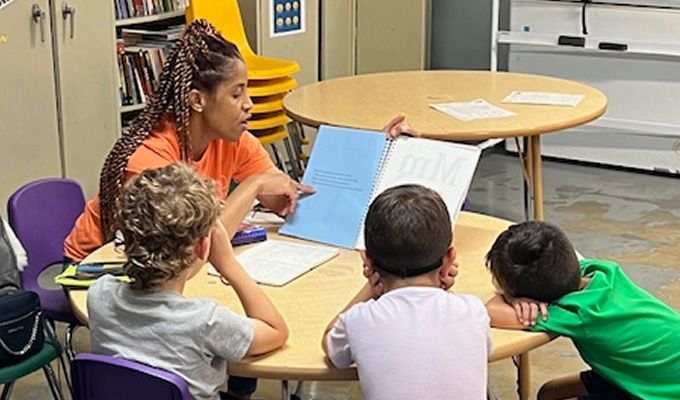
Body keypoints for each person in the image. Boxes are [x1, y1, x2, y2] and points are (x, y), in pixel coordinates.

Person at [64, 19, 415, 264]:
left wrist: (376, 150)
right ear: (197, 100)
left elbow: (285, 194)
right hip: (101, 265)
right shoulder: (151, 159)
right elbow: (191, 246)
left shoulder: (231, 138)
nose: (248, 104)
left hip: (174, 266)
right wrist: (253, 184)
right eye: (236, 94)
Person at [88, 163, 289, 400]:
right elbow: (276, 332)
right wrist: (229, 265)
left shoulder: (99, 295)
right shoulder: (206, 322)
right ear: (204, 247)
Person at [322, 184, 492, 400]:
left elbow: (331, 345)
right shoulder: (473, 310)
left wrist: (371, 289)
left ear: (368, 261)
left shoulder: (358, 319)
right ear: (449, 258)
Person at [485, 221, 680, 400]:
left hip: (662, 391)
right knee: (548, 393)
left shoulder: (576, 313)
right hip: (653, 371)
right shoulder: (599, 271)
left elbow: (489, 312)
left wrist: (510, 296)